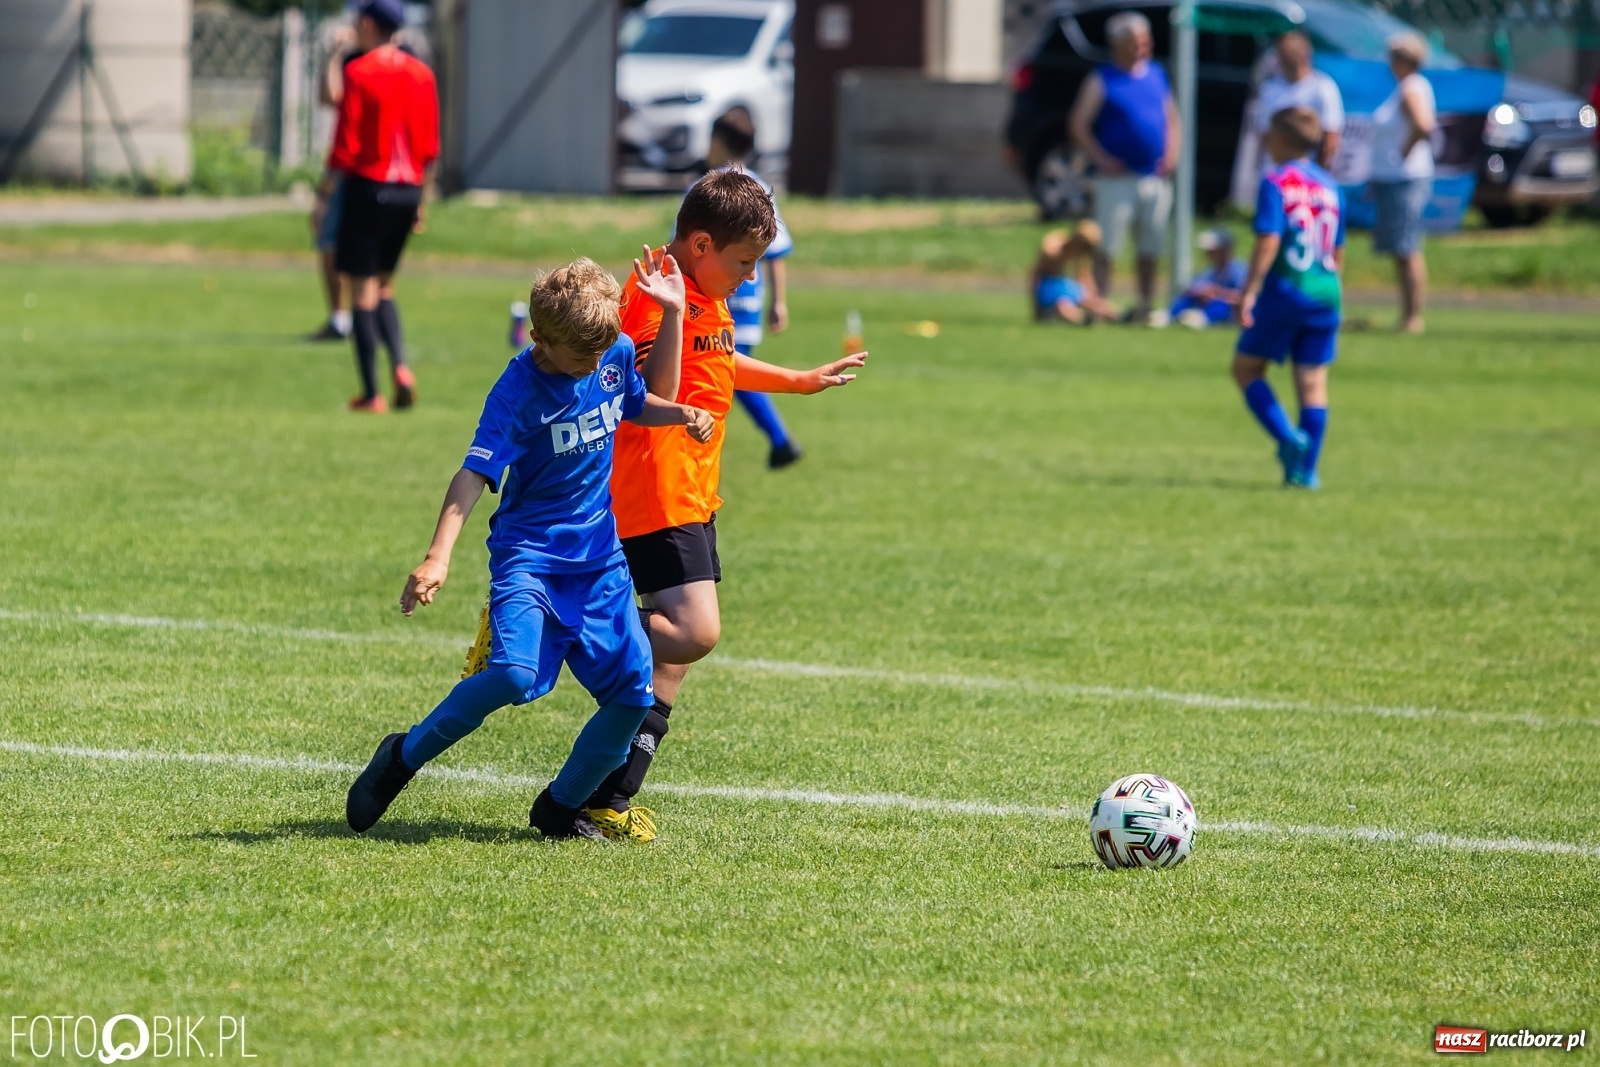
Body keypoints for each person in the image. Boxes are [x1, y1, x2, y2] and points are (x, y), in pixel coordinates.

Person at [344, 257, 717, 839]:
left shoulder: (609, 350)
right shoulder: (518, 389)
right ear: (541, 338)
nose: (593, 366)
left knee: (631, 694)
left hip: (599, 561)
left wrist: (681, 413)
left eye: (600, 355)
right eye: (579, 358)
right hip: (531, 557)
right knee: (514, 676)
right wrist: (438, 555)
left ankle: (560, 807)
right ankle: (401, 758)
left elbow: (635, 401)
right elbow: (473, 474)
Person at [584, 168, 865, 842]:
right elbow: (656, 389)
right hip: (655, 491)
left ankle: (606, 799)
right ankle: (561, 616)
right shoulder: (659, 294)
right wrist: (674, 310)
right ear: (702, 244)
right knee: (695, 631)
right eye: (744, 264)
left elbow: (719, 365)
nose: (748, 279)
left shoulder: (703, 293)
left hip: (695, 492)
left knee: (671, 660)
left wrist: (797, 380)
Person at [325, 0, 438, 412]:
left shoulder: (358, 72)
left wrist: (324, 194)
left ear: (368, 23)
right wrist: (421, 201)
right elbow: (429, 145)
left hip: (369, 188)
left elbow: (346, 143)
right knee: (385, 285)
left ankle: (372, 392)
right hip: (408, 191)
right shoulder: (422, 73)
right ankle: (402, 367)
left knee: (361, 289)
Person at [1233, 106, 1344, 489]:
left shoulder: (1276, 181)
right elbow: (1337, 250)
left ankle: (1288, 438)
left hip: (1287, 287)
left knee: (1245, 369)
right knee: (1313, 384)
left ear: (1279, 139)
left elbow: (1269, 238)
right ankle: (1306, 473)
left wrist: (1249, 291)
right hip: (1327, 291)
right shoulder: (1330, 186)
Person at [705, 110, 803, 469]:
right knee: (727, 371)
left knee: (728, 371)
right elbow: (776, 252)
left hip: (724, 299)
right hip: (750, 298)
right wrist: (779, 302)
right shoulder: (760, 188)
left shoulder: (708, 191)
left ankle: (780, 439)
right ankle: (778, 441)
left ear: (717, 142)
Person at [1067, 10, 1180, 322]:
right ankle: (1101, 305)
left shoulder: (1157, 74)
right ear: (1118, 44)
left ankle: (1145, 305)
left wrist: (1172, 152)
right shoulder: (1102, 79)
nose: (1142, 47)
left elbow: (1172, 118)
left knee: (1150, 246)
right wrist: (1101, 158)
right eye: (1135, 42)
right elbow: (1078, 124)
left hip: (1154, 176)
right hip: (1116, 179)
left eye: (1145, 41)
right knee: (1108, 246)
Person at [1369, 32, 1436, 334]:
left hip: (1405, 178)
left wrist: (1401, 154)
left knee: (1407, 247)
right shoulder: (1409, 87)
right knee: (1400, 247)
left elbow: (1422, 125)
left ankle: (1413, 317)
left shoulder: (1411, 88)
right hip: (1396, 177)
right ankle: (1407, 314)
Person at [1253, 32, 1344, 173]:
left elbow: (1331, 136)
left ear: (1306, 55)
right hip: (1275, 172)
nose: (1286, 59)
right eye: (1284, 54)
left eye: (1291, 54)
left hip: (1308, 174)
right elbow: (1265, 134)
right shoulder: (1269, 89)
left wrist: (1319, 174)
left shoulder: (1323, 88)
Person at [1030, 221, 1120, 324]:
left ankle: (1119, 317)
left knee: (1097, 304)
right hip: (1051, 289)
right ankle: (1082, 320)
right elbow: (1036, 276)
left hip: (1068, 288)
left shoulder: (1082, 256)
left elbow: (1086, 281)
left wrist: (1093, 300)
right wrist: (1036, 308)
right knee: (1063, 305)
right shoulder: (1053, 248)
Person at [1170, 228, 1247, 328]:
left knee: (1220, 305)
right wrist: (1200, 292)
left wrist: (1218, 293)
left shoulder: (1240, 271)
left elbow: (1244, 297)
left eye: (1213, 250)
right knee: (1186, 299)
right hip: (1206, 304)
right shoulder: (1210, 271)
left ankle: (1202, 318)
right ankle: (1171, 315)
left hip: (1227, 310)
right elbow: (1188, 288)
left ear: (1226, 250)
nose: (1208, 254)